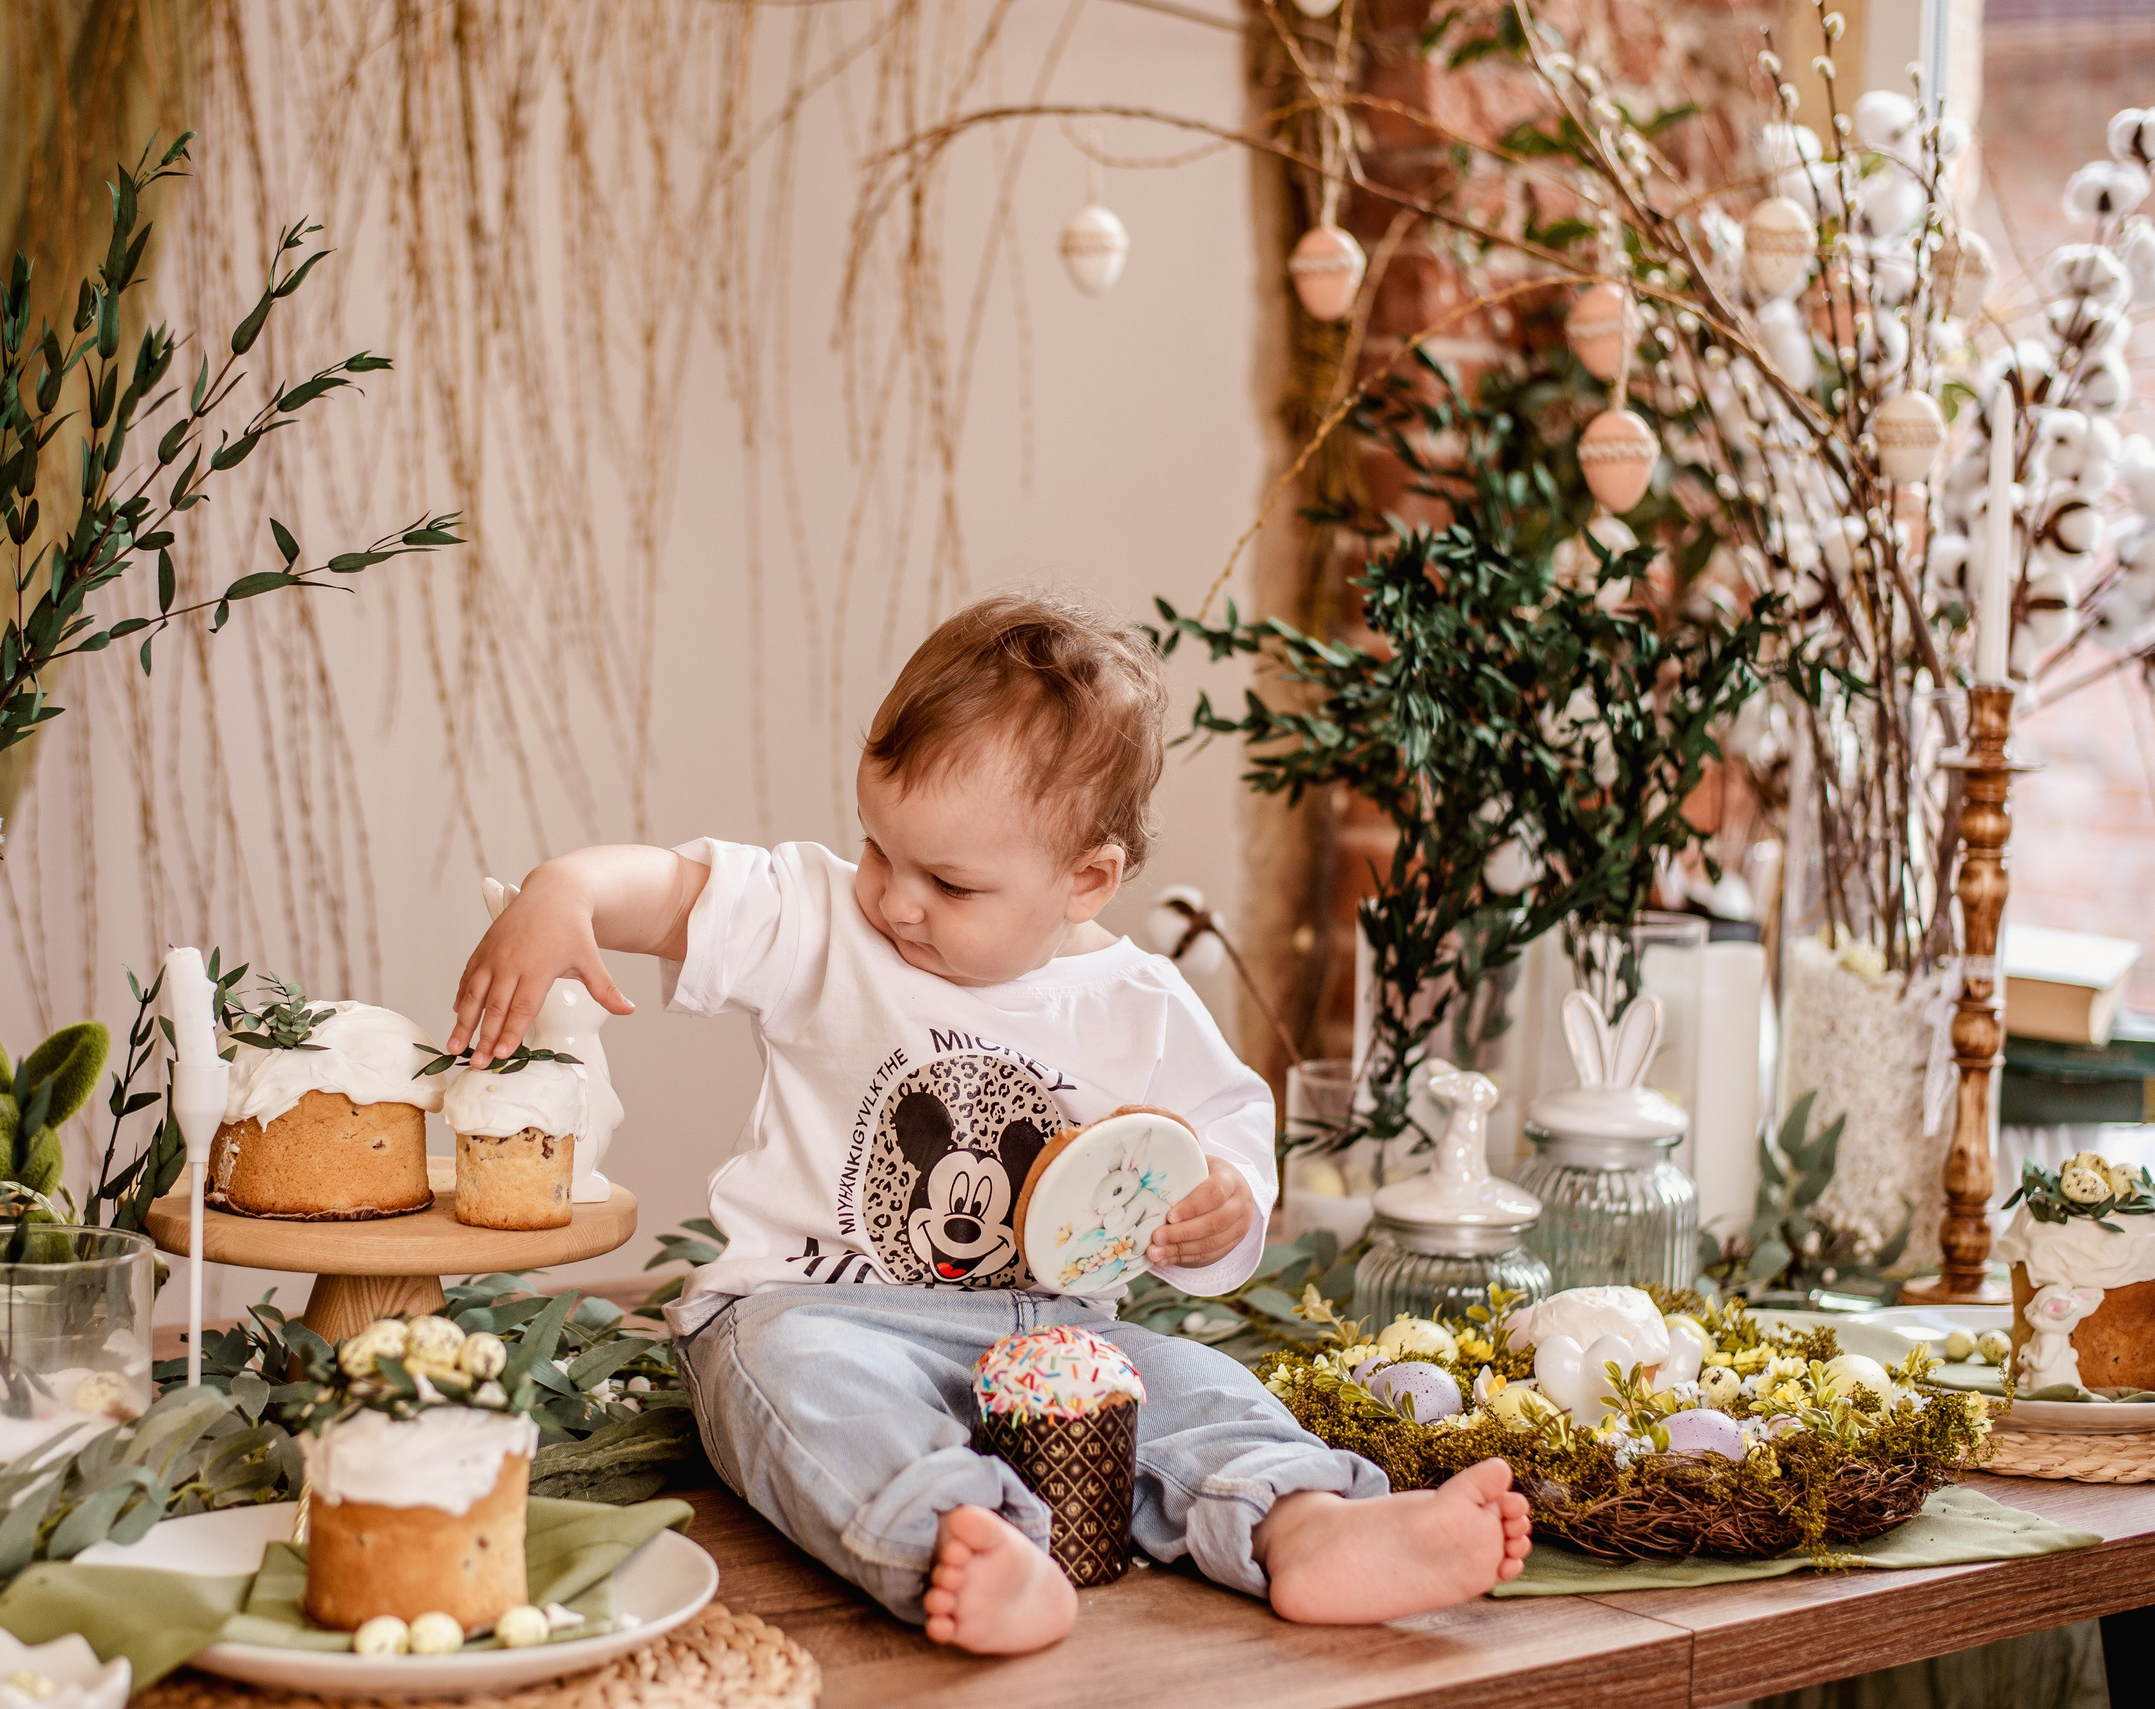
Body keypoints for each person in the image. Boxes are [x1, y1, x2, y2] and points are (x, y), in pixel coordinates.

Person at [449, 589, 1530, 1654]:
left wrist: (1223, 1201)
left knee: (1196, 1384)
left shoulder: (1137, 1002)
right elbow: (678, 892)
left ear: (1086, 881)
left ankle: (1303, 1521)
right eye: (878, 847)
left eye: (950, 882)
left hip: (1063, 1336)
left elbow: (1231, 1133)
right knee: (796, 1385)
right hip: (816, 1309)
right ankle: (960, 1538)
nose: (895, 898)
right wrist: (570, 886)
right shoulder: (825, 925)